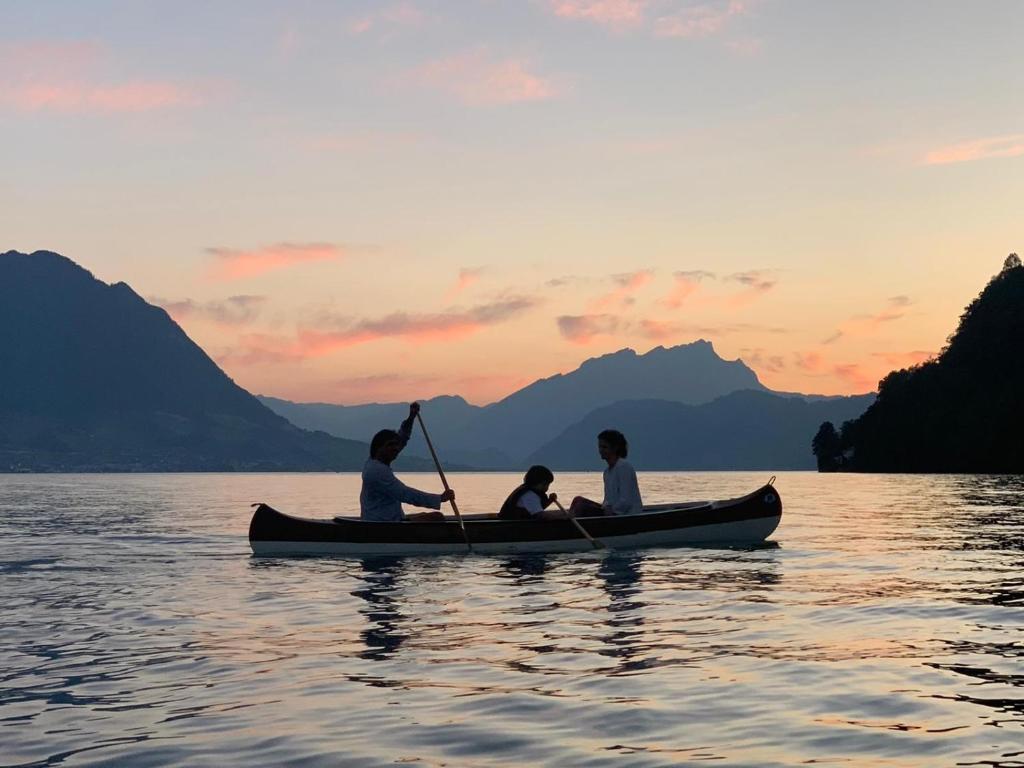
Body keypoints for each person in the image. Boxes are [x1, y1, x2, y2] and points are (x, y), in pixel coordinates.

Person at [360, 402, 454, 522]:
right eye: (390, 445)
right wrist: (440, 498)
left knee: (428, 515)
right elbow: (405, 494)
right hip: (384, 523)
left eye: (395, 445)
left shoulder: (373, 462)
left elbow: (402, 438)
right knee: (437, 517)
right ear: (378, 448)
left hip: (385, 519)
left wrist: (411, 417)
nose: (395, 448)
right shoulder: (377, 471)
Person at [569, 429, 643, 517]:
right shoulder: (607, 472)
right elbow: (608, 500)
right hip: (611, 512)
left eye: (604, 447)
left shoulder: (623, 467)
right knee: (578, 500)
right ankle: (569, 519)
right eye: (599, 447)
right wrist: (604, 507)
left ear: (615, 448)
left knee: (581, 507)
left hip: (626, 514)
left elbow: (626, 500)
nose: (600, 450)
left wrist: (612, 510)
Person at [498, 465, 568, 520]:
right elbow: (541, 515)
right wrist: (562, 517)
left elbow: (537, 508)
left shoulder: (530, 492)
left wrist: (550, 501)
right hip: (514, 526)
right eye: (544, 484)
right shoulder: (530, 495)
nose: (546, 487)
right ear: (535, 482)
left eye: (548, 484)